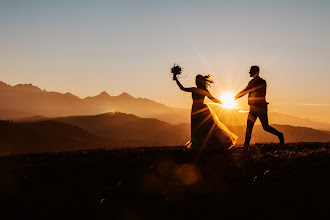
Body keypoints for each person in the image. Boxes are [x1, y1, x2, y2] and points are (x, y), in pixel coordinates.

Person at [173, 72, 237, 154]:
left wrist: (176, 79)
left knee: (199, 128)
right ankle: (204, 146)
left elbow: (182, 88)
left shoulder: (196, 89)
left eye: (197, 80)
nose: (196, 81)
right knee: (202, 127)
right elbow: (213, 99)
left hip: (197, 109)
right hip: (201, 109)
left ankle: (202, 146)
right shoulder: (202, 90)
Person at [234, 66, 284, 149]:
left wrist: (236, 97)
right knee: (256, 127)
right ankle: (246, 145)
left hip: (258, 108)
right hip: (257, 107)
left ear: (256, 72)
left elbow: (246, 91)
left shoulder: (258, 82)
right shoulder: (258, 82)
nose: (249, 72)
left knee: (260, 127)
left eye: (251, 71)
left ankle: (279, 135)